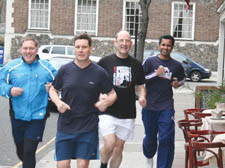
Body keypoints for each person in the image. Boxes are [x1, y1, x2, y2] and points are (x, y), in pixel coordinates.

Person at [49, 33, 117, 168]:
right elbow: (52, 90)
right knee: (62, 165)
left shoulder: (99, 72)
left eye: (84, 47)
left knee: (82, 165)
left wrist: (106, 102)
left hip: (88, 126)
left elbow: (113, 94)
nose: (81, 50)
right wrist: (58, 102)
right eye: (78, 47)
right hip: (66, 125)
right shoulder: (64, 70)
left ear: (90, 49)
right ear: (74, 49)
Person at [0, 36, 57, 168]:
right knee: (21, 151)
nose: (28, 51)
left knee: (29, 151)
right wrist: (9, 89)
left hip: (38, 117)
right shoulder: (12, 67)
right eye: (25, 48)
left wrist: (53, 90)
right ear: (21, 50)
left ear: (36, 49)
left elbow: (61, 81)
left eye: (31, 48)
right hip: (17, 116)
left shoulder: (46, 68)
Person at [98, 30, 146, 168]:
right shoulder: (104, 62)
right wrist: (99, 95)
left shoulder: (136, 65)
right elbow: (96, 82)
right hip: (108, 110)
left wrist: (142, 96)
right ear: (115, 43)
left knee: (118, 148)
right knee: (110, 143)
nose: (124, 44)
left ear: (131, 43)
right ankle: (103, 164)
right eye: (121, 41)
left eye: (127, 41)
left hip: (127, 112)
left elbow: (141, 86)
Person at [142, 35, 186, 168]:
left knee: (165, 139)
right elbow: (140, 79)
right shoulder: (150, 61)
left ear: (172, 47)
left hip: (166, 106)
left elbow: (183, 79)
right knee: (150, 138)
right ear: (159, 45)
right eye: (163, 45)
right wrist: (156, 73)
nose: (165, 48)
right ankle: (149, 156)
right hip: (149, 106)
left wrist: (177, 83)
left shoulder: (176, 65)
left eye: (168, 45)